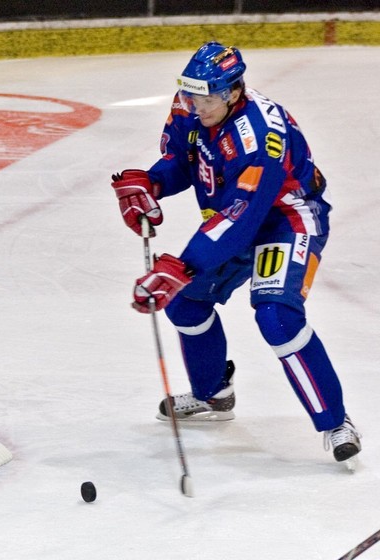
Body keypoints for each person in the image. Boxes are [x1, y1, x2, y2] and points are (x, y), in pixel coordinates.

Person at [110, 42, 361, 464]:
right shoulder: (189, 105)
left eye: (206, 97)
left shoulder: (262, 136)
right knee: (186, 301)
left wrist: (183, 265)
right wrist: (151, 183)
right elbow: (184, 161)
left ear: (232, 92)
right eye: (190, 94)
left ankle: (336, 422)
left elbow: (242, 218)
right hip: (231, 218)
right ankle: (213, 396)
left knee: (276, 316)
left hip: (287, 217)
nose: (195, 105)